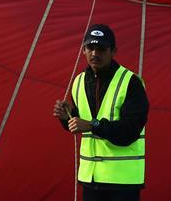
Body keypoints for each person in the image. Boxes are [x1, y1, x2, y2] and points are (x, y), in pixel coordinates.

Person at [53, 24, 149, 201]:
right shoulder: (79, 81)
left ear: (113, 51)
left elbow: (130, 130)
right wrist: (67, 117)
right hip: (91, 179)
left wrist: (92, 125)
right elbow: (79, 124)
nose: (95, 53)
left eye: (101, 48)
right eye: (90, 47)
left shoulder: (131, 82)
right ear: (83, 50)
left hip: (122, 181)